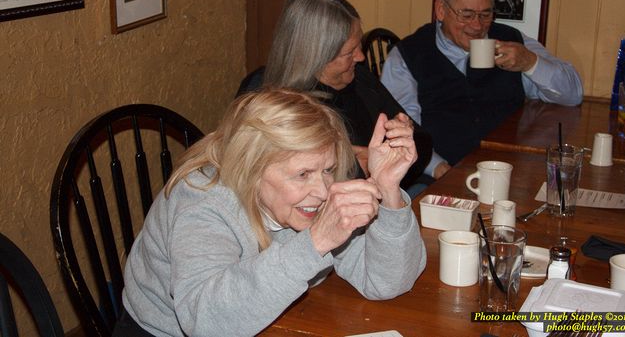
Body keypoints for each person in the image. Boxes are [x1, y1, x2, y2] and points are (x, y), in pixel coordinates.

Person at [113, 88, 426, 337]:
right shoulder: (202, 202)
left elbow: (386, 282)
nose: (322, 191)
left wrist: (389, 193)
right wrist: (315, 241)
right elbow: (205, 323)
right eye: (302, 174)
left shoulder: (315, 184)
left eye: (329, 169)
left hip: (276, 317)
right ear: (252, 169)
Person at [246, 0, 443, 195]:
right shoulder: (272, 99)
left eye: (358, 45)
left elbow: (421, 141)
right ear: (315, 56)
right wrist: (368, 167)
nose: (360, 57)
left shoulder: (359, 78)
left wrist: (376, 163)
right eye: (349, 52)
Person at [380, 0, 583, 166]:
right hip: (437, 173)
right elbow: (401, 132)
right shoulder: (407, 55)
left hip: (509, 164)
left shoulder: (512, 41)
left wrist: (530, 62)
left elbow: (572, 95)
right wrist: (439, 169)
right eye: (466, 15)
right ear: (441, 10)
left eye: (485, 15)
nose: (477, 26)